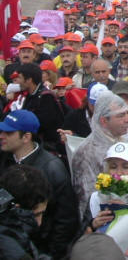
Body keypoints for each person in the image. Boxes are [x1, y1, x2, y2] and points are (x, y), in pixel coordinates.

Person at [0, 110, 78, 258]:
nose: (1, 136)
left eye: (8, 133)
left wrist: (51, 254)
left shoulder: (52, 168)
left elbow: (65, 219)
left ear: (26, 137)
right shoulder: (4, 159)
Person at [71, 91, 128, 218]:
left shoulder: (120, 142)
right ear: (104, 121)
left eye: (127, 113)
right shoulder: (86, 153)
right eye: (121, 115)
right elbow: (87, 202)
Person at [0, 164, 52, 260]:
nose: (39, 222)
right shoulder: (12, 251)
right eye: (36, 215)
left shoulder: (14, 233)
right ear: (17, 209)